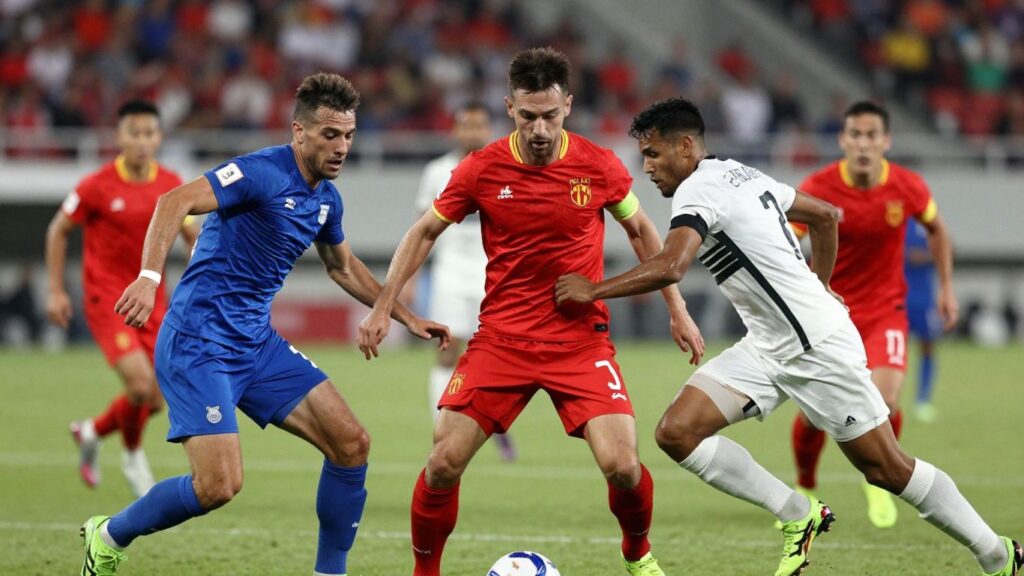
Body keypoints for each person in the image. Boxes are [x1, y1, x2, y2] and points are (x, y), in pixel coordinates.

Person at [554, 97, 1021, 576]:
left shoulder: (698, 190)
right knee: (677, 433)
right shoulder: (741, 173)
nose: (646, 166)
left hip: (816, 347)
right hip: (768, 344)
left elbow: (672, 265)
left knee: (886, 468)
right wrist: (821, 285)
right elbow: (823, 215)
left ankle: (997, 554)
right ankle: (799, 514)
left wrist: (593, 289)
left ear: (686, 146)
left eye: (653, 153)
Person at [79, 73, 450, 576]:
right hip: (199, 341)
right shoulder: (258, 172)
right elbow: (174, 202)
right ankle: (109, 535)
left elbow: (342, 267)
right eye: (329, 135)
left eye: (348, 136)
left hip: (256, 345)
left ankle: (329, 573)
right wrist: (149, 276)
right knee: (218, 486)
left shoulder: (326, 200)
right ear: (299, 132)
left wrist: (402, 314)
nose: (341, 147)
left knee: (351, 444)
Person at [358, 47, 703, 576]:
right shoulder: (480, 168)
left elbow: (640, 231)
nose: (539, 129)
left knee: (624, 467)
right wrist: (386, 307)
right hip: (502, 340)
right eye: (527, 116)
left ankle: (637, 550)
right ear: (509, 108)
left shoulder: (599, 165)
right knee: (443, 461)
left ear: (567, 105)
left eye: (550, 115)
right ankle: (424, 572)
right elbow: (424, 231)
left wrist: (676, 309)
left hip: (580, 341)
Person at [789, 101, 957, 529]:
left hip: (886, 311)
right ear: (843, 140)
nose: (863, 143)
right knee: (814, 414)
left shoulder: (908, 186)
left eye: (871, 135)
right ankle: (805, 488)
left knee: (883, 402)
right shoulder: (819, 186)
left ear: (886, 141)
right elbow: (786, 238)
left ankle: (877, 480)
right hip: (828, 315)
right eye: (855, 135)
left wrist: (946, 289)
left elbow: (937, 229)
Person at [46, 100, 198, 498]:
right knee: (140, 384)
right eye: (135, 133)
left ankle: (92, 432)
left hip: (154, 303)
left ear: (159, 137)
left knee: (156, 399)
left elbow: (192, 237)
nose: (143, 141)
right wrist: (56, 289)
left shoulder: (170, 182)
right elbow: (58, 230)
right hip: (109, 300)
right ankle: (132, 455)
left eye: (150, 134)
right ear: (119, 136)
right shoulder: (96, 186)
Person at [413, 101, 516, 461]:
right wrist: (412, 278)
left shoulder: (506, 166)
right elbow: (421, 230)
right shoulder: (437, 171)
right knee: (447, 351)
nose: (472, 132)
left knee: (501, 354)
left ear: (488, 129)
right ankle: (442, 428)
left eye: (478, 125)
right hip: (449, 275)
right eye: (465, 125)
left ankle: (497, 425)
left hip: (495, 277)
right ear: (455, 129)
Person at [905, 219, 942, 422]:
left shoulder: (928, 222)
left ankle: (923, 401)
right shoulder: (895, 219)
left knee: (927, 346)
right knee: (893, 350)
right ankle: (886, 399)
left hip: (925, 298)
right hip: (898, 297)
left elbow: (946, 247)